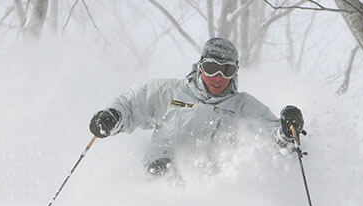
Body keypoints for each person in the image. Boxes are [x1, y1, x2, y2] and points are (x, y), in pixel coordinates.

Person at [88, 37, 305, 178]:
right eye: (211, 68)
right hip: (160, 169)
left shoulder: (243, 106)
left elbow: (272, 138)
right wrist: (111, 117)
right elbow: (131, 104)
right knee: (165, 176)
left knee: (207, 181)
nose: (218, 78)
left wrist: (287, 131)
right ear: (200, 68)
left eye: (226, 70)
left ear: (235, 72)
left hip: (210, 182)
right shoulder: (170, 91)